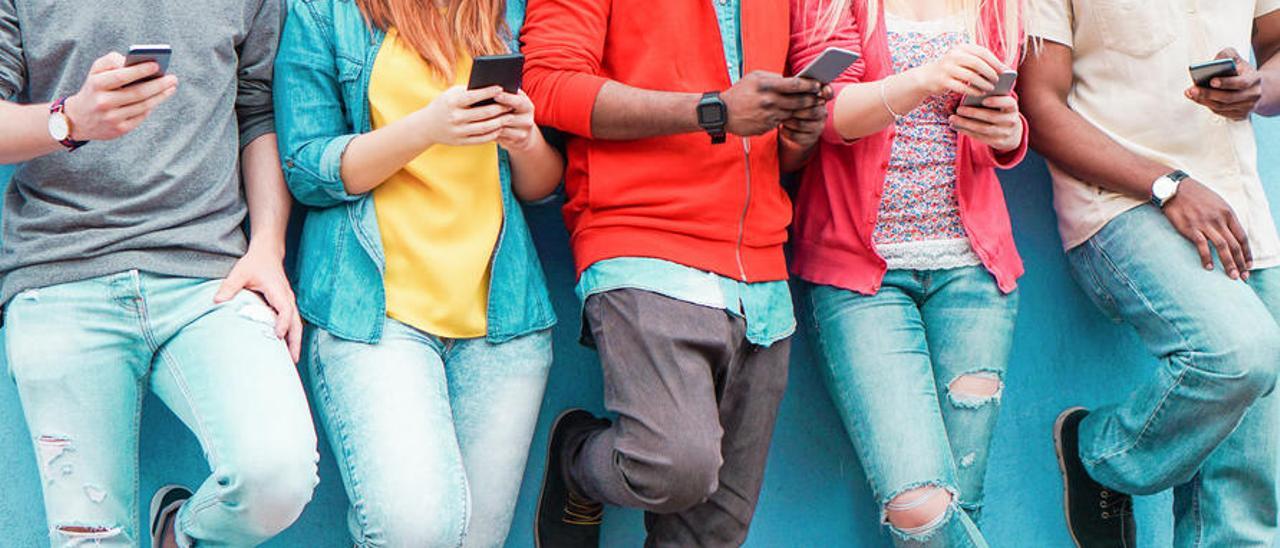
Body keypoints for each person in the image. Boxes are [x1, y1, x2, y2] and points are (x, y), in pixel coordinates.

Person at [0, 0, 319, 546]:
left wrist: (268, 246)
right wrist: (70, 120)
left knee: (278, 476)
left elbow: (258, 110)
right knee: (90, 537)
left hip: (210, 277)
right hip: (58, 272)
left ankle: (180, 533)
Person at [519, 1, 831, 546]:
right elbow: (548, 85)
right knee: (670, 466)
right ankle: (578, 458)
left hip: (760, 275)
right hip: (644, 245)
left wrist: (798, 137)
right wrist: (711, 111)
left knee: (713, 534)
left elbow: (763, 147)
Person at [274, 0, 562, 545]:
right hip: (374, 314)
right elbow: (307, 169)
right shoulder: (325, 13)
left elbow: (544, 188)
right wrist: (427, 128)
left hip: (504, 323)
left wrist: (524, 139)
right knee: (414, 531)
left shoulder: (515, 13)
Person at [1020, 1, 1280, 546]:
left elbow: (1276, 49)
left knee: (1246, 502)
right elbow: (1039, 107)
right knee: (1238, 353)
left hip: (1238, 209)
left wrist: (1257, 87)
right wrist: (1169, 185)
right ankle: (1100, 456)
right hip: (1120, 202)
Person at [788, 0, 1026, 545]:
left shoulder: (996, 7)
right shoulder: (830, 6)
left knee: (964, 500)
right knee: (919, 505)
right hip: (861, 279)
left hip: (975, 274)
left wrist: (1008, 132)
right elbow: (829, 116)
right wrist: (922, 79)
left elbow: (993, 141)